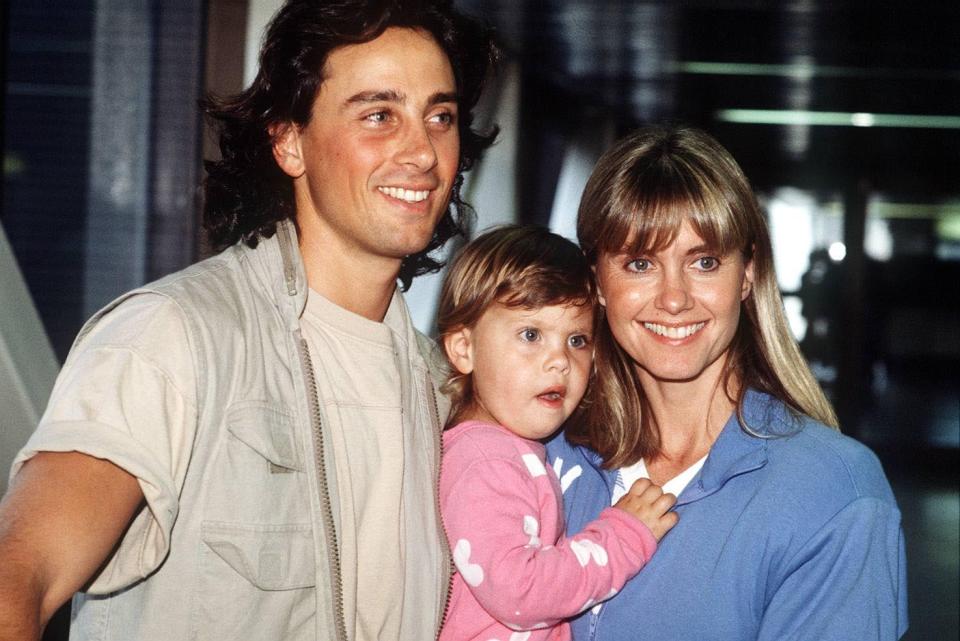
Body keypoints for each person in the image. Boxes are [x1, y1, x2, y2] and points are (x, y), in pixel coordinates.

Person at [0, 1, 497, 640]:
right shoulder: (174, 337)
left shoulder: (443, 391)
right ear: (290, 142)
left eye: (440, 116)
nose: (422, 151)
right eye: (379, 114)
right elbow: (18, 576)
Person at [546, 125, 908, 640]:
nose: (674, 299)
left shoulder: (834, 493)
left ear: (746, 274)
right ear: (597, 280)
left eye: (705, 262)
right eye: (640, 263)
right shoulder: (546, 449)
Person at [435, 225, 678, 641]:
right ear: (464, 349)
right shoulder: (484, 462)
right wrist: (624, 535)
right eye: (531, 335)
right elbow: (522, 592)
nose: (560, 361)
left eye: (577, 340)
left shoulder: (509, 449)